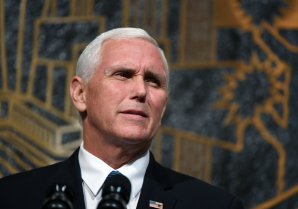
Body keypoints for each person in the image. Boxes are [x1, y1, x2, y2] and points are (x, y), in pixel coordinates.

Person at [0, 27, 244, 209]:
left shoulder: (215, 205)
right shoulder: (11, 197)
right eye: (123, 75)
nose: (140, 91)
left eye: (153, 81)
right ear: (80, 93)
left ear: (164, 105)